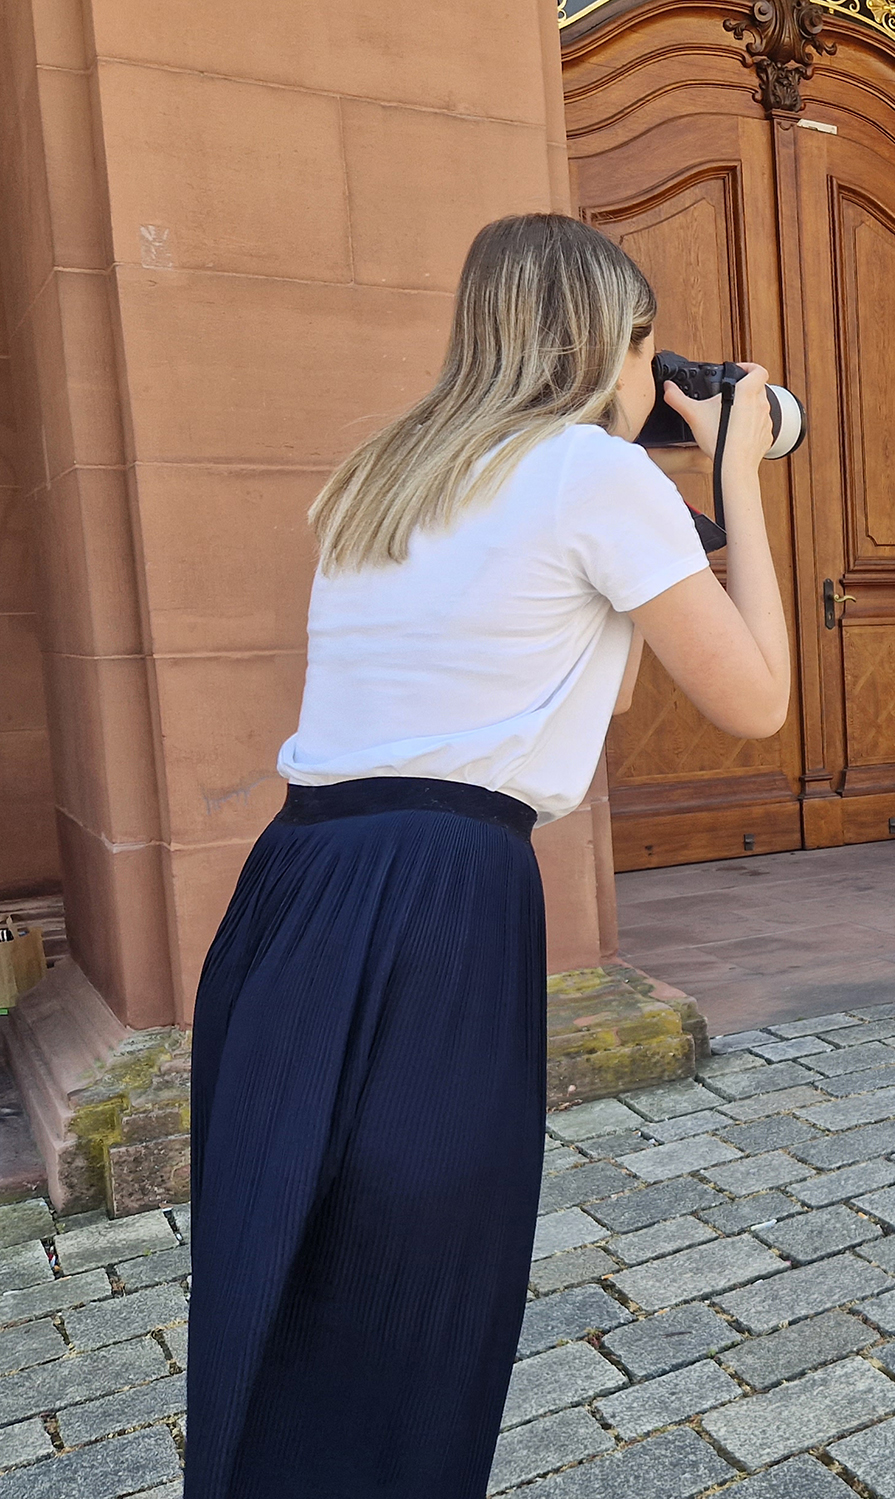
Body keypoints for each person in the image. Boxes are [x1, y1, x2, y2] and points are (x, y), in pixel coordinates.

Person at [185, 214, 790, 1498]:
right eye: (649, 351)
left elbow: (586, 689)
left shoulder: (387, 475)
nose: (657, 380)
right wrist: (733, 475)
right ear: (611, 345)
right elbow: (757, 702)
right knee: (420, 1303)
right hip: (440, 905)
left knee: (286, 1271)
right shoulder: (594, 479)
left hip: (296, 886)